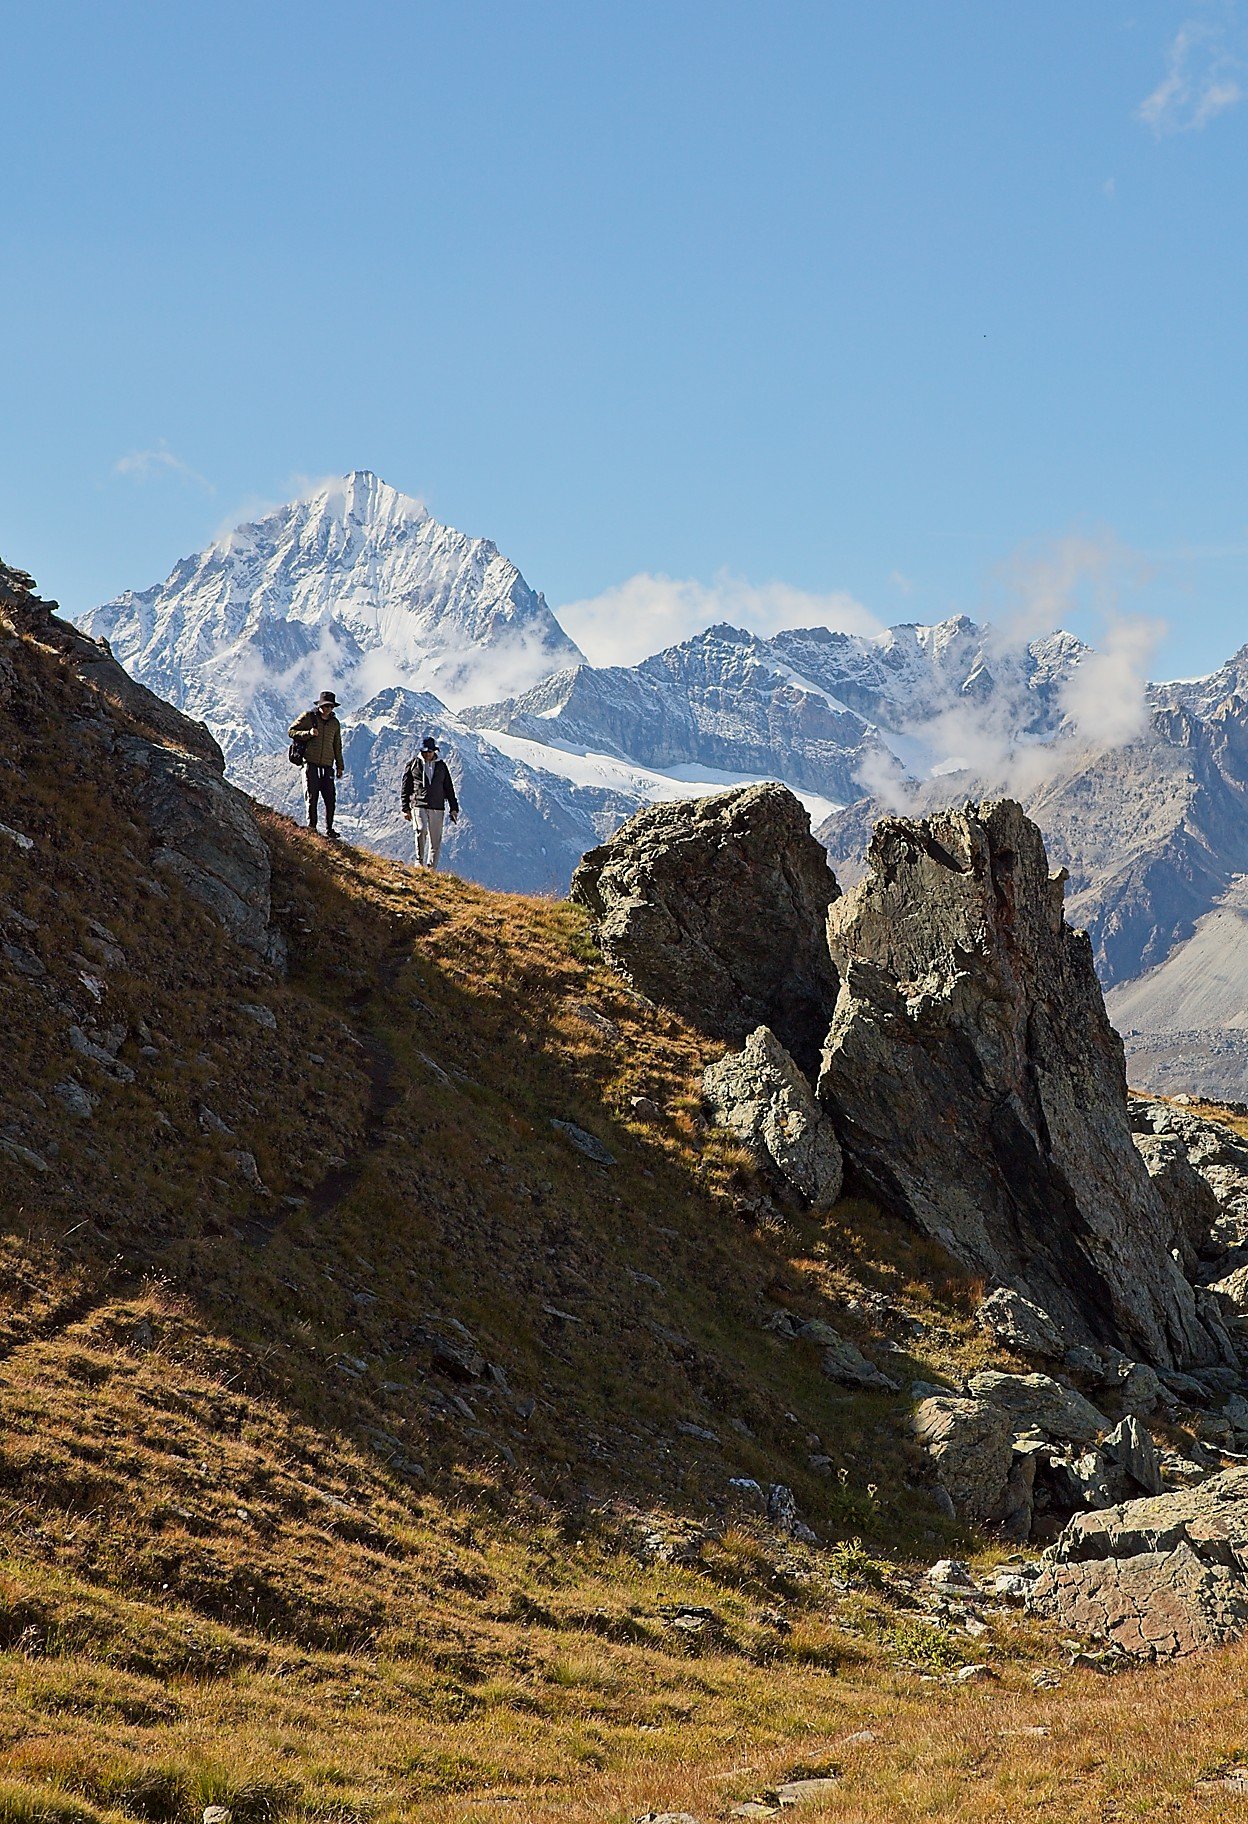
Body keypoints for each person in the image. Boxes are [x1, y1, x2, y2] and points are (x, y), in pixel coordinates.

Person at [288, 691, 345, 837]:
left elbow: (337, 745)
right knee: (312, 796)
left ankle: (329, 829)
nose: (328, 709)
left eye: (330, 706)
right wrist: (308, 733)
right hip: (310, 763)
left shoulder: (335, 723)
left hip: (327, 766)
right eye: (325, 706)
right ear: (320, 705)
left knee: (330, 798)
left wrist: (340, 766)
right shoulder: (308, 717)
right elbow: (291, 731)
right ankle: (311, 827)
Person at [401, 733, 459, 868]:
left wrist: (454, 808)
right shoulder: (413, 764)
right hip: (418, 804)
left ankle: (431, 868)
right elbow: (406, 787)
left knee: (435, 840)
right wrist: (405, 808)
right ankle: (419, 861)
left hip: (438, 806)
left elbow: (449, 788)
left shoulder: (442, 766)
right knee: (420, 830)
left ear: (434, 751)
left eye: (430, 752)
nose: (427, 755)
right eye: (425, 752)